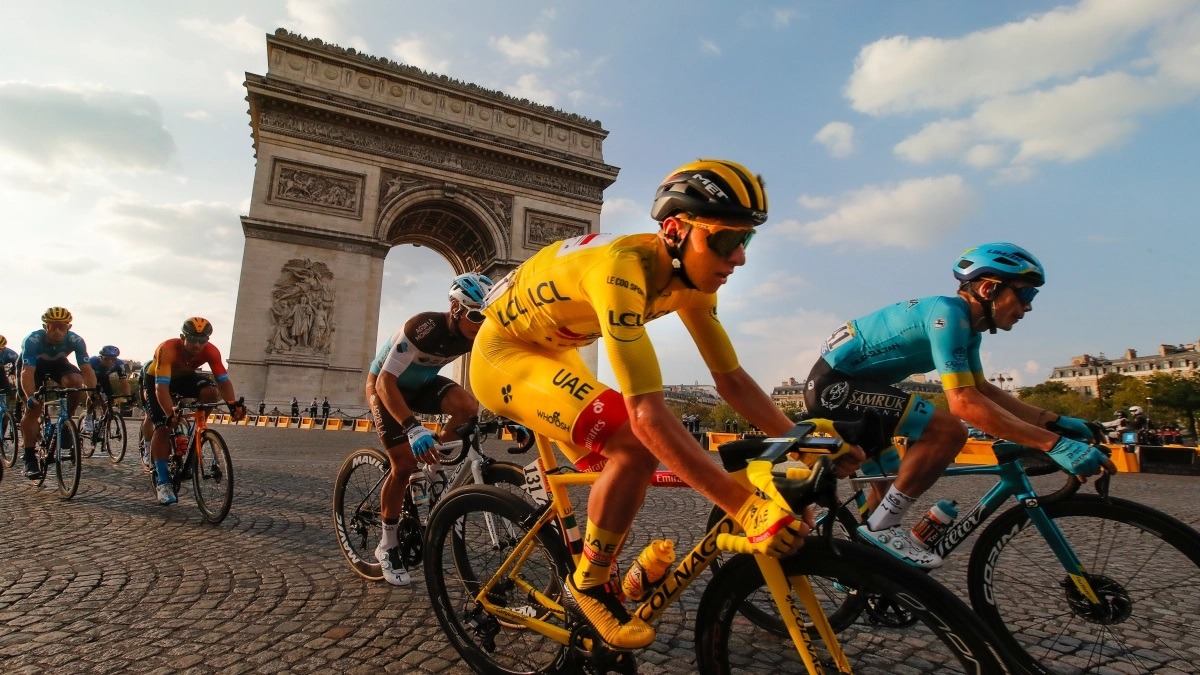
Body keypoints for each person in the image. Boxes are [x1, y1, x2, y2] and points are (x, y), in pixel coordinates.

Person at [469, 159, 861, 649]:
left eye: (747, 241)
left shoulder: (694, 283)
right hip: (505, 355)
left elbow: (732, 381)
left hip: (556, 346)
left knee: (621, 469)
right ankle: (587, 584)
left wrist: (804, 439)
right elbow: (648, 416)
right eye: (724, 240)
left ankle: (623, 579)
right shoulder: (621, 270)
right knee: (634, 444)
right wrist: (743, 506)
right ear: (674, 230)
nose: (738, 257)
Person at [803, 242, 1116, 569]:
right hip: (835, 387)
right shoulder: (948, 315)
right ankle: (880, 529)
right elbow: (964, 404)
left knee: (886, 492)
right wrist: (1054, 444)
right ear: (988, 288)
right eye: (1026, 295)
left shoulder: (967, 330)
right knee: (947, 431)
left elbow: (983, 391)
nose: (1028, 308)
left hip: (852, 387)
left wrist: (1055, 422)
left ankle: (866, 575)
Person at [367, 272, 494, 586]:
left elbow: (499, 373)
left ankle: (432, 457)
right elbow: (385, 381)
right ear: (455, 309)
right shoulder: (421, 328)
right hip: (386, 386)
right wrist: (412, 428)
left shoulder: (479, 332)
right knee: (403, 465)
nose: (482, 326)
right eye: (476, 316)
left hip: (423, 384)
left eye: (488, 317)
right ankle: (387, 543)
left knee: (467, 407)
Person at [140, 318, 245, 505]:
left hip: (185, 377)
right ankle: (163, 481)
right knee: (163, 427)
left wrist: (232, 404)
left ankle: (199, 428)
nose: (198, 345)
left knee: (210, 391)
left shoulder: (211, 351)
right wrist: (169, 413)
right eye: (193, 339)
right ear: (182, 337)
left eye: (203, 340)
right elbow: (161, 389)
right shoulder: (167, 348)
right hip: (157, 379)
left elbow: (223, 381)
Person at [19, 307, 98, 479]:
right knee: (32, 410)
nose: (57, 331)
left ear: (68, 328)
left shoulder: (76, 340)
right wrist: (31, 397)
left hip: (58, 363)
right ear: (45, 326)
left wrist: (92, 394)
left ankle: (65, 422)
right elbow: (27, 373)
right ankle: (30, 459)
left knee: (76, 382)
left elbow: (87, 370)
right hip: (33, 368)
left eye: (61, 327)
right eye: (52, 326)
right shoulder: (32, 340)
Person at [83, 345, 132, 433]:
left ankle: (104, 422)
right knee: (94, 398)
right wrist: (93, 393)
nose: (110, 361)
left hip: (104, 378)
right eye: (107, 359)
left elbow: (123, 382)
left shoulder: (119, 364)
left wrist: (129, 397)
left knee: (109, 401)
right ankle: (88, 417)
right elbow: (86, 378)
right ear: (101, 357)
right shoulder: (93, 361)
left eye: (113, 359)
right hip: (91, 377)